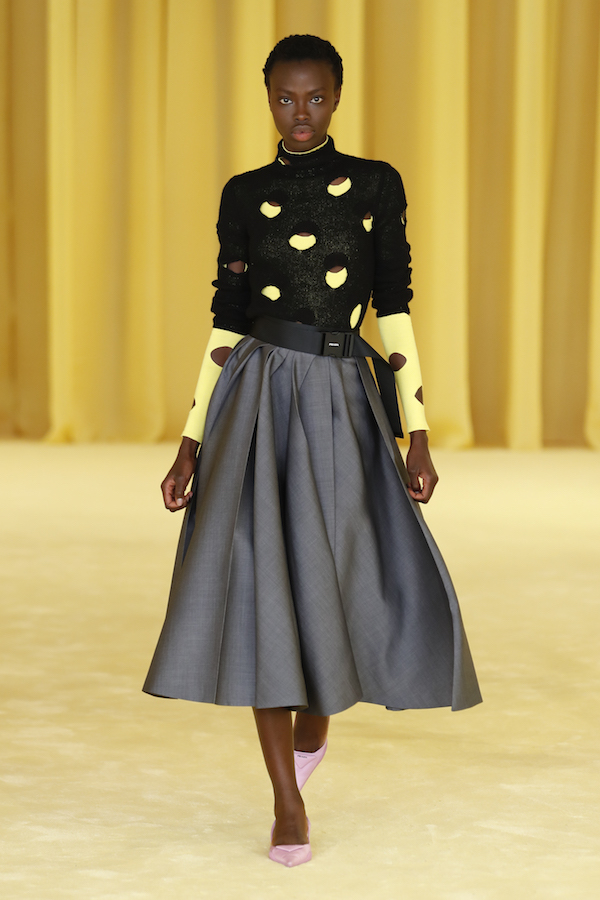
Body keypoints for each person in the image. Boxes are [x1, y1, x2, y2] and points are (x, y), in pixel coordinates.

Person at [143, 34, 481, 868]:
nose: (301, 113)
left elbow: (393, 308)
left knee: (344, 567)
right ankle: (286, 804)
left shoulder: (374, 185)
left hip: (344, 397)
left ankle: (319, 716)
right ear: (268, 99)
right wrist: (189, 441)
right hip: (257, 396)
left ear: (337, 96)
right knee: (261, 584)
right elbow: (226, 319)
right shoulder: (243, 193)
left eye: (316, 97)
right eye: (286, 98)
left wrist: (419, 431)